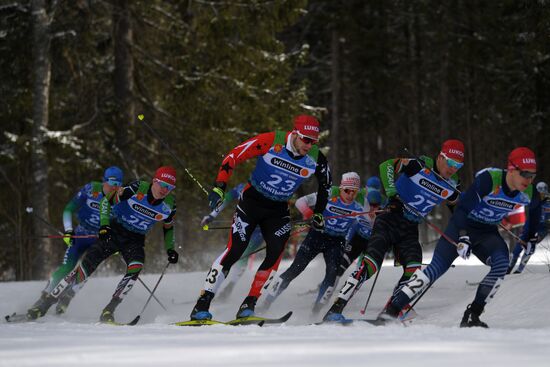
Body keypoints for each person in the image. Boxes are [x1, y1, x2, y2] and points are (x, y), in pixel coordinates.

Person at [190, 115, 332, 321]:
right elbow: (233, 155)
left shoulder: (316, 158)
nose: (309, 146)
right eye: (306, 140)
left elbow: (326, 185)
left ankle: (249, 304)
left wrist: (318, 212)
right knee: (235, 250)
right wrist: (220, 186)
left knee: (275, 252)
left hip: (278, 209)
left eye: (313, 141)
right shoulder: (271, 140)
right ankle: (202, 304)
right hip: (252, 201)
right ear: (295, 133)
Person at [383, 147, 541, 328]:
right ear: (511, 169)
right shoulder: (490, 179)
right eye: (525, 174)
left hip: (486, 233)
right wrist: (463, 237)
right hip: (461, 227)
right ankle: (392, 310)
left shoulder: (530, 192)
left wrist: (531, 238)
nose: (529, 180)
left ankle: (472, 314)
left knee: (501, 264)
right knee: (434, 270)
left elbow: (535, 212)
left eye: (533, 176)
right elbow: (462, 209)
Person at [324, 139, 464, 323]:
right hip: (390, 218)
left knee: (414, 269)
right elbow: (386, 166)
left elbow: (457, 209)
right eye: (450, 162)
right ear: (440, 157)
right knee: (371, 265)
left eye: (458, 165)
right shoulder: (419, 165)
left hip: (410, 229)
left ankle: (391, 310)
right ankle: (335, 309)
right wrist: (392, 193)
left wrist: (463, 230)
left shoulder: (452, 185)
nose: (453, 168)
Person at [30, 166, 180, 323]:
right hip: (115, 231)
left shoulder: (170, 205)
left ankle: (108, 311)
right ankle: (45, 304)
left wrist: (170, 249)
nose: (165, 190)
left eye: (169, 187)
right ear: (154, 181)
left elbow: (168, 227)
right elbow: (105, 202)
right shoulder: (137, 188)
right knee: (84, 270)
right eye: (162, 184)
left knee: (136, 267)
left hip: (134, 239)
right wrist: (104, 225)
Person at [261, 172, 367, 313]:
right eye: (347, 190)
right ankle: (266, 303)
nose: (350, 195)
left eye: (354, 192)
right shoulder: (329, 194)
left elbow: (370, 220)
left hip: (336, 242)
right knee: (295, 269)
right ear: (341, 188)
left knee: (332, 274)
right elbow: (300, 202)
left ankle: (316, 310)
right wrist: (310, 215)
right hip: (317, 236)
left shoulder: (361, 203)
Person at [26, 166, 123, 319]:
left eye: (118, 184)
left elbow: (121, 224)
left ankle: (66, 298)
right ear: (104, 180)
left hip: (99, 240)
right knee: (67, 267)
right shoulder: (91, 189)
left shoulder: (121, 198)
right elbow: (68, 209)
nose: (114, 187)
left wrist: (116, 243)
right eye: (111, 182)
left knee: (85, 270)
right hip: (80, 235)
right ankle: (43, 298)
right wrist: (69, 230)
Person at [200, 182, 265, 300]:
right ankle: (210, 290)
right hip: (243, 225)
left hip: (259, 231)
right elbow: (225, 200)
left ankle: (229, 287)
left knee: (243, 254)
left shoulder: (272, 189)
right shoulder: (242, 187)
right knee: (229, 255)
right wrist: (211, 216)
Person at [507, 181, 550, 274]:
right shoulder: (531, 198)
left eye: (543, 193)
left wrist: (545, 229)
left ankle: (519, 270)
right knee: (518, 247)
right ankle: (508, 269)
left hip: (541, 228)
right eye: (538, 193)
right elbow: (518, 200)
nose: (540, 195)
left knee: (530, 247)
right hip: (529, 226)